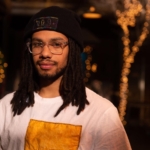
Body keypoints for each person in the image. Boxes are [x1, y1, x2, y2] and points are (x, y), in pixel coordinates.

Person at [0, 6, 132, 150]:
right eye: (38, 44)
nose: (45, 53)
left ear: (73, 51)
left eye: (56, 45)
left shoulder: (101, 113)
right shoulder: (7, 107)